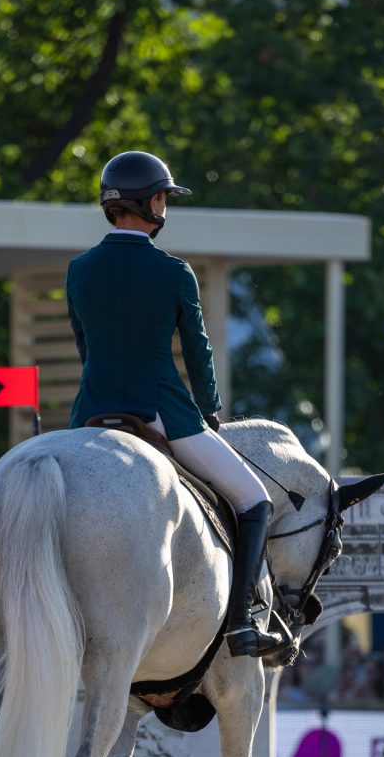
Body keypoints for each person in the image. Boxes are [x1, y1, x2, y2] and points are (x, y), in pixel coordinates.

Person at [67, 150, 286, 658]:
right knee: (255, 500)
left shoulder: (79, 270)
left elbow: (87, 349)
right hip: (162, 410)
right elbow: (197, 350)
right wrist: (210, 410)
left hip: (90, 415)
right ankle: (241, 624)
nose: (166, 206)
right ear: (148, 204)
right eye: (163, 197)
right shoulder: (173, 271)